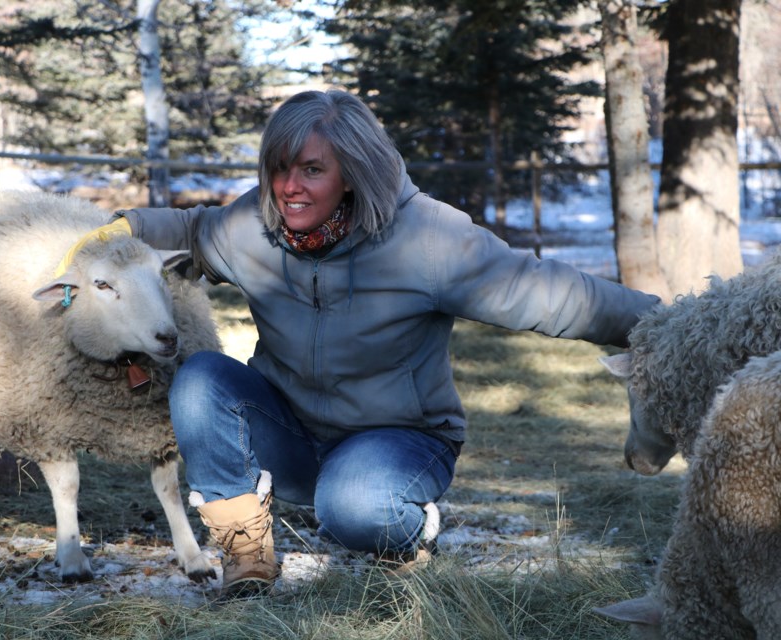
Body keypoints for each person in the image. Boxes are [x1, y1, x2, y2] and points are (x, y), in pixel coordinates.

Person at [61, 89, 660, 597]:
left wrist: (664, 321)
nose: (289, 187)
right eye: (278, 168)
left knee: (351, 510)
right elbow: (193, 230)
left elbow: (548, 292)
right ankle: (245, 547)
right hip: (290, 432)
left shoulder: (429, 239)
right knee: (198, 379)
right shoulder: (257, 226)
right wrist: (124, 228)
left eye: (312, 170)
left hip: (396, 440)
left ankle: (403, 527)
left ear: (353, 172)